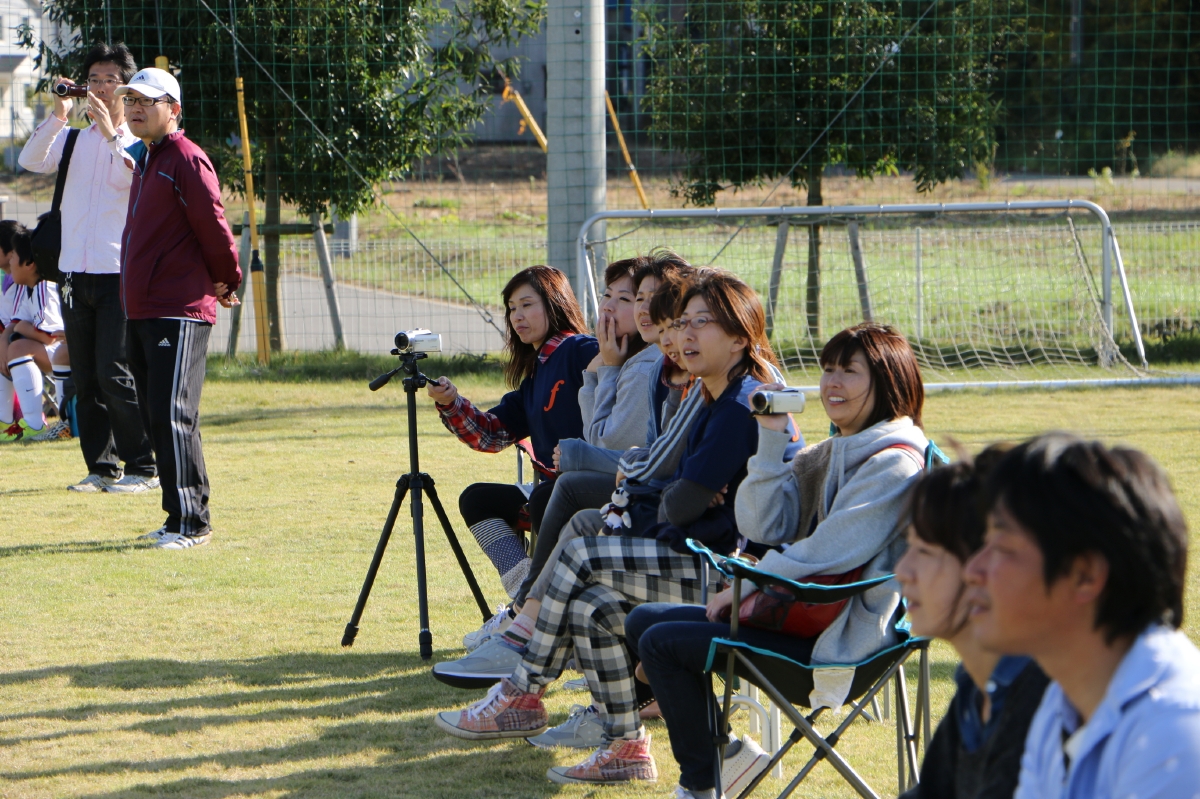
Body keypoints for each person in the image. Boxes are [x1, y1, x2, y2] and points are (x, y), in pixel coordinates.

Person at [434, 270, 797, 787]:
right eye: (682, 323)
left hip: (725, 576)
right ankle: (625, 746)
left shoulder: (739, 405)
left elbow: (676, 503)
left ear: (740, 337)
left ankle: (522, 689)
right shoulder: (706, 395)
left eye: (701, 324)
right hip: (691, 556)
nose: (683, 335)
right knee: (591, 606)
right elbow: (659, 478)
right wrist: (671, 485)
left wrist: (669, 486)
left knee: (582, 551)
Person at [626, 322, 930, 799]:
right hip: (808, 614)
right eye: (827, 369)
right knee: (644, 621)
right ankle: (729, 757)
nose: (831, 383)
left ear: (889, 383)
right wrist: (770, 439)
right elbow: (762, 523)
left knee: (662, 643)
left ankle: (700, 787)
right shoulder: (834, 451)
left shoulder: (895, 463)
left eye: (849, 372)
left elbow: (827, 551)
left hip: (840, 643)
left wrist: (744, 588)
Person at [964, 433, 1200, 799]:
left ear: (1085, 576)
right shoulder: (1064, 701)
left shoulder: (1173, 731)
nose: (972, 571)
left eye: (1002, 547)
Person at [19, 43, 158, 492]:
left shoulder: (139, 141)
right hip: (73, 273)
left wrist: (112, 131)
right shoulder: (73, 139)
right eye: (93, 80)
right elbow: (29, 160)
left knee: (116, 371)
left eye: (109, 80)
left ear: (127, 89)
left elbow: (131, 177)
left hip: (119, 272)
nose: (99, 88)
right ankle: (101, 467)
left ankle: (143, 467)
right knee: (85, 375)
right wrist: (59, 114)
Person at [117, 67, 241, 549]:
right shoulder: (148, 159)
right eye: (130, 100)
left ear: (174, 109)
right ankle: (176, 518)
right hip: (144, 308)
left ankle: (193, 523)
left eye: (146, 100)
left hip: (179, 308)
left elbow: (214, 226)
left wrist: (227, 279)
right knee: (157, 417)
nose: (135, 108)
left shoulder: (186, 158)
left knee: (173, 415)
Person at [427, 265, 598, 604]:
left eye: (527, 304)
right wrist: (450, 403)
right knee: (477, 499)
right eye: (511, 308)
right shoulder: (535, 375)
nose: (517, 316)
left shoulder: (582, 349)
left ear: (555, 304)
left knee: (544, 497)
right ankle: (525, 597)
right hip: (549, 492)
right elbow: (490, 435)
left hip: (591, 488)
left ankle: (535, 606)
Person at [895, 448, 1050, 799]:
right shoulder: (975, 683)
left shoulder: (1039, 696)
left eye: (925, 553)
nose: (902, 571)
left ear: (986, 564)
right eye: (908, 549)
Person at [1, 228, 70, 443]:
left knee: (18, 348)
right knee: (9, 348)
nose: (11, 263)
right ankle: (5, 422)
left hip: (68, 353)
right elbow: (16, 323)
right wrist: (6, 340)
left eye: (14, 257)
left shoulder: (45, 287)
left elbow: (50, 336)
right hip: (53, 352)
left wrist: (21, 329)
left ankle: (34, 424)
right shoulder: (28, 288)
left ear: (30, 263)